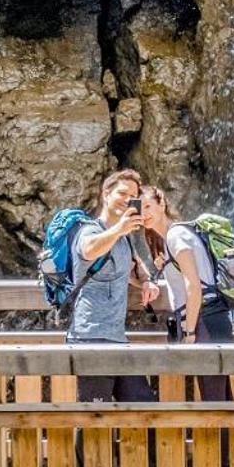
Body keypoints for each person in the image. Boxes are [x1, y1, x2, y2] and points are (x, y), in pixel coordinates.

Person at [69, 168, 162, 402]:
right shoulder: (88, 229)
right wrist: (119, 228)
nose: (127, 200)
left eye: (133, 196)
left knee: (143, 406)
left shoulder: (124, 238)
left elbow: (136, 266)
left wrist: (147, 281)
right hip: (90, 337)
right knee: (93, 417)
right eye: (122, 193)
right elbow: (89, 250)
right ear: (106, 194)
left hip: (117, 339)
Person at [143, 185, 232, 404]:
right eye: (139, 208)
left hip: (204, 323)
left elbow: (194, 286)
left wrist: (190, 332)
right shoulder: (171, 238)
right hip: (209, 319)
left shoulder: (176, 236)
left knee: (215, 400)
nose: (144, 213)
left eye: (148, 206)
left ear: (162, 203)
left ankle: (224, 439)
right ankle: (232, 439)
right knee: (221, 399)